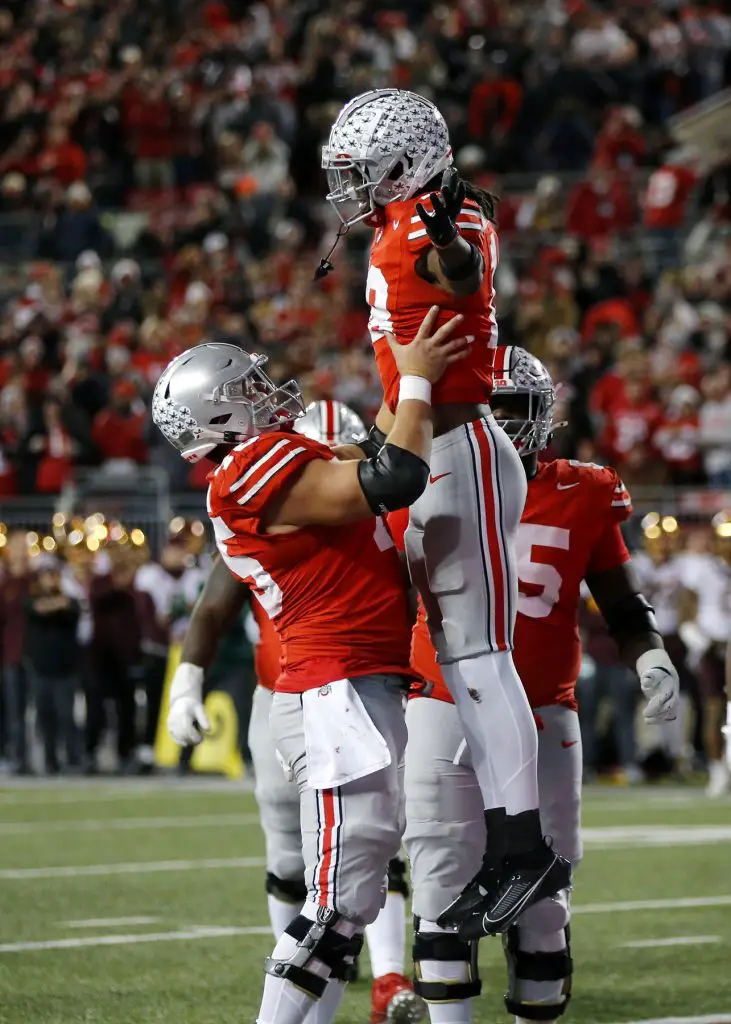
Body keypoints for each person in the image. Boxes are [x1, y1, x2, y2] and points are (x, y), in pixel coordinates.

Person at [151, 311, 468, 1024]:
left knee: (351, 897)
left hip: (356, 683)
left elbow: (376, 446)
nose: (268, 391)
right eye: (249, 386)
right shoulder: (245, 471)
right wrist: (414, 377)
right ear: (221, 412)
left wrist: (407, 368)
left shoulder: (271, 458)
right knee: (331, 904)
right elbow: (396, 475)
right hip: (331, 692)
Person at [322, 88, 567, 931]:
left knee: (480, 659)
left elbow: (456, 268)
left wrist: (452, 249)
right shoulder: (399, 223)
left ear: (400, 160)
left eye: (358, 170)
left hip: (460, 449)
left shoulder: (436, 224)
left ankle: (521, 846)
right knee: (464, 663)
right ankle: (510, 843)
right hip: (431, 449)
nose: (346, 186)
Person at [388, 348, 679, 1023]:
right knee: (438, 882)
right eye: (481, 405)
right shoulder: (420, 478)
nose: (494, 420)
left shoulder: (583, 489)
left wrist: (648, 654)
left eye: (511, 406)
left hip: (546, 711)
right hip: (441, 706)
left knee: (545, 899)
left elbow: (620, 598)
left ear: (543, 412)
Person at [24, 558, 81, 775]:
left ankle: (73, 760)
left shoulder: (71, 601)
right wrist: (56, 604)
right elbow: (38, 608)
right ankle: (51, 762)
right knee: (45, 719)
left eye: (54, 575)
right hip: (40, 670)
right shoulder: (30, 600)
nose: (51, 579)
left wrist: (57, 604)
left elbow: (70, 607)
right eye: (47, 575)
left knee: (67, 717)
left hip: (65, 671)